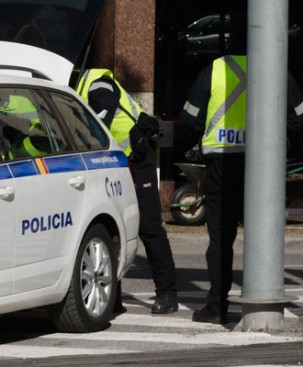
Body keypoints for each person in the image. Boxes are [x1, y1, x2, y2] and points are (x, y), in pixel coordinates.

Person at [181, 52, 303, 324]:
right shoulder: (274, 66)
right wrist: (271, 129)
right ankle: (263, 300)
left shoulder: (214, 69)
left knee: (220, 241)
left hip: (222, 164)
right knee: (263, 237)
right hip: (263, 166)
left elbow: (190, 118)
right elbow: (302, 117)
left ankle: (217, 307)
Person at [77, 68, 179, 315]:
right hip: (114, 162)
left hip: (137, 158)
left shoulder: (96, 84)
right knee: (113, 227)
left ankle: (167, 294)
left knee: (149, 227)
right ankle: (113, 298)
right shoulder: (80, 86)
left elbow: (101, 119)